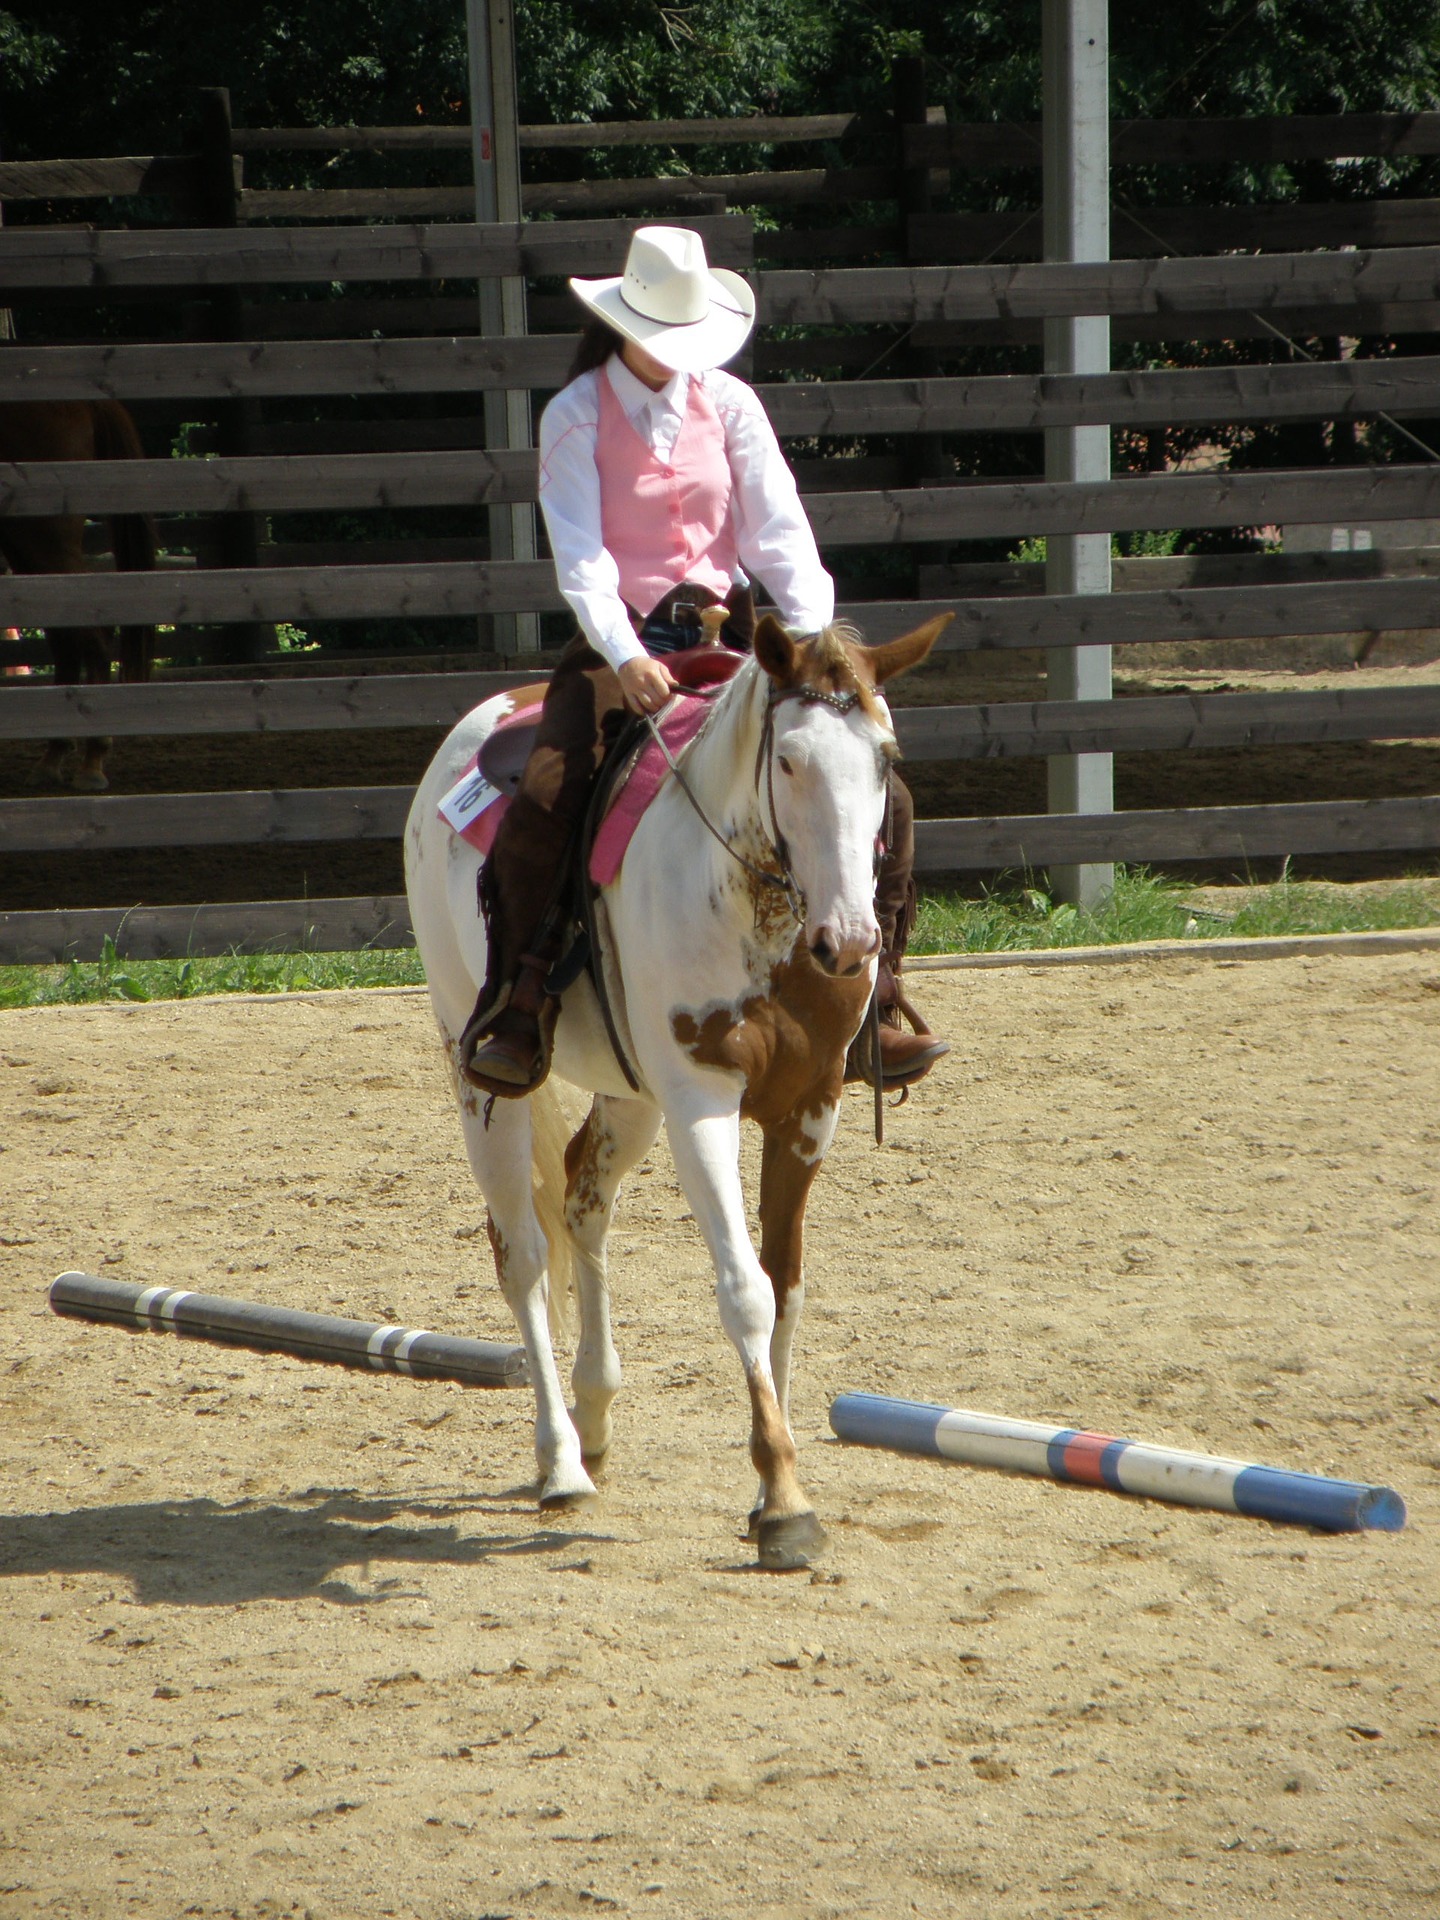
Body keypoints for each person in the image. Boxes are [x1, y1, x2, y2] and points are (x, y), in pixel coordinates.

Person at [460, 225, 947, 1097]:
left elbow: (780, 534)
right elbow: (581, 559)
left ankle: (875, 998)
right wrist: (623, 651)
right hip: (623, 641)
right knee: (546, 792)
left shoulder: (729, 406)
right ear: (624, 324)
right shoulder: (574, 415)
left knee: (884, 791)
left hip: (741, 640)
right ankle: (521, 998)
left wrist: (817, 654)